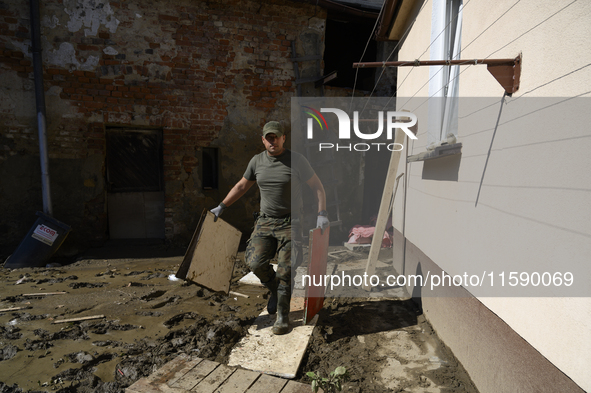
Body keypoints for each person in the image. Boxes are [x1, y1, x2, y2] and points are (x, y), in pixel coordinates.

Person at [210, 121, 329, 335]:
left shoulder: (297, 161)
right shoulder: (257, 162)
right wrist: (222, 206)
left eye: (276, 137)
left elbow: (318, 187)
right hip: (265, 221)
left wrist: (322, 214)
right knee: (254, 262)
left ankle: (282, 316)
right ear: (263, 139)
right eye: (269, 137)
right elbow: (241, 186)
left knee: (286, 269)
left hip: (291, 222)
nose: (273, 141)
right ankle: (276, 290)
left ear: (284, 138)